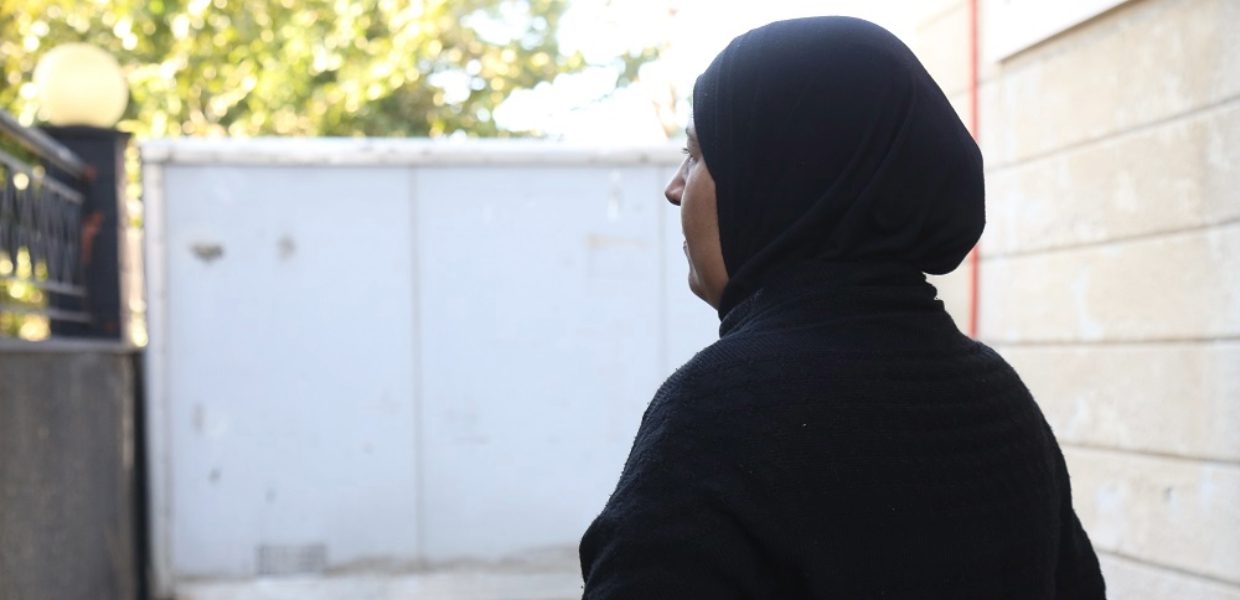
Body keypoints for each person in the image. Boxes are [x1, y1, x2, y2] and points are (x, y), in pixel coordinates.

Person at [578, 16, 1106, 599]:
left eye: (698, 155)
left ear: (779, 176)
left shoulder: (726, 410)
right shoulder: (994, 392)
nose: (675, 187)